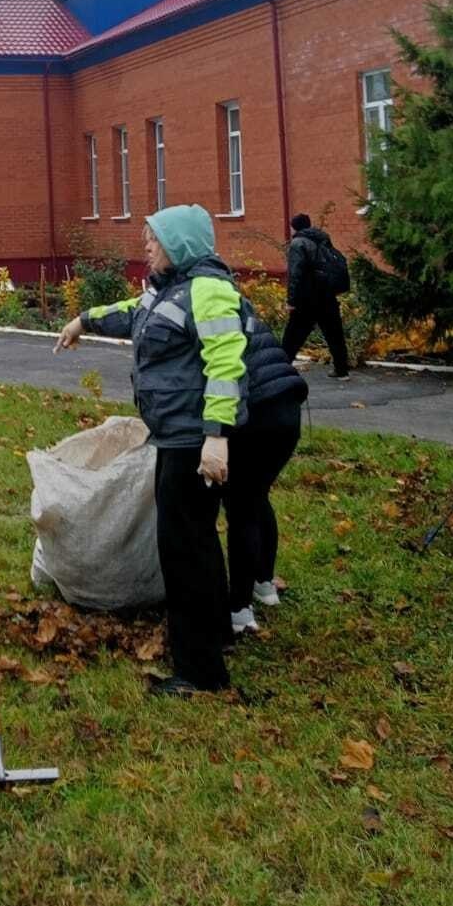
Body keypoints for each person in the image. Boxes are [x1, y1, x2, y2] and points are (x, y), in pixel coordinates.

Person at [56, 205, 246, 696]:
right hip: (178, 438)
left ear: (180, 244)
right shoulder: (169, 291)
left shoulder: (208, 290)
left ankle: (198, 673)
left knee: (183, 551)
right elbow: (128, 315)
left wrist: (216, 437)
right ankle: (215, 637)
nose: (146, 246)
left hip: (194, 441)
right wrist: (82, 320)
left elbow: (226, 366)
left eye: (155, 239)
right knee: (196, 542)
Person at [221, 314, 308, 635]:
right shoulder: (238, 307)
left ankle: (240, 610)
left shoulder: (200, 308)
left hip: (256, 410)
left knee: (241, 506)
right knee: (256, 497)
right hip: (288, 409)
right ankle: (264, 584)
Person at [282, 213, 350, 380]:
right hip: (327, 295)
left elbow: (295, 274)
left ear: (294, 227)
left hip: (307, 298)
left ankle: (281, 369)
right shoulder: (323, 240)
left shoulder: (298, 244)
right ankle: (342, 371)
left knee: (292, 336)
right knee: (335, 333)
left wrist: (291, 301)